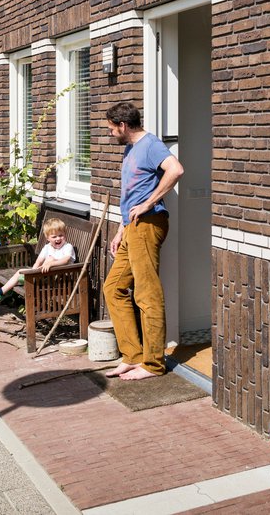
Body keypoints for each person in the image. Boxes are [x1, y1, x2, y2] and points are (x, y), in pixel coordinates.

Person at [103, 102, 184, 381]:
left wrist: (149, 203)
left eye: (112, 129)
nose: (111, 133)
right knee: (113, 288)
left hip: (149, 224)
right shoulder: (130, 150)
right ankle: (133, 355)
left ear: (123, 126)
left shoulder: (150, 144)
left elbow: (176, 169)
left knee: (146, 294)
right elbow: (130, 193)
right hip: (132, 227)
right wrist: (120, 229)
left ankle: (153, 363)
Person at [0, 217, 76, 302]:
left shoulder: (68, 247)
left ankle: (25, 281)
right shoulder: (47, 247)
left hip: (60, 279)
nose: (58, 239)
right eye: (54, 237)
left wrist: (51, 263)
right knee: (20, 272)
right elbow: (39, 261)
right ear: (47, 238)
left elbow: (65, 260)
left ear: (65, 234)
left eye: (61, 235)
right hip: (45, 275)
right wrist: (32, 272)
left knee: (50, 258)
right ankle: (0, 292)